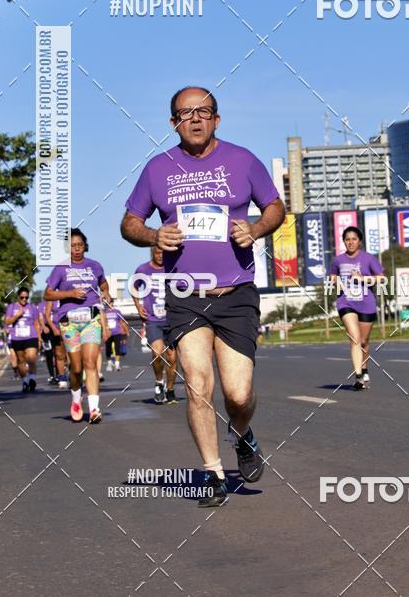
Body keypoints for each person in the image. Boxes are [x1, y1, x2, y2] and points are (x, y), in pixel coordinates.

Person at [121, 86, 285, 507]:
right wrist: (155, 234)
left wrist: (257, 229)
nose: (194, 119)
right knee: (197, 384)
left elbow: (275, 207)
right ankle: (213, 474)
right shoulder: (158, 169)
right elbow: (129, 223)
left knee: (237, 394)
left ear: (216, 118)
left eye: (203, 111)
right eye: (185, 113)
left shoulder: (242, 160)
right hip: (184, 293)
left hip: (235, 293)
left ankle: (243, 435)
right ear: (172, 122)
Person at [44, 228, 112, 423]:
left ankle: (94, 409)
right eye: (73, 246)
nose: (76, 249)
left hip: (91, 320)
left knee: (90, 363)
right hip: (69, 324)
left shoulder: (95, 266)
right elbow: (48, 294)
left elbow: (103, 284)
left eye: (80, 245)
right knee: (76, 368)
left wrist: (105, 293)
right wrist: (69, 294)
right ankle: (76, 399)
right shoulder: (60, 268)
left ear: (85, 246)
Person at [328, 226, 385, 390]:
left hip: (366, 303)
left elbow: (381, 279)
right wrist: (335, 282)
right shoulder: (338, 260)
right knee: (355, 338)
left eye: (353, 239)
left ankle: (364, 367)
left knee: (364, 342)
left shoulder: (369, 259)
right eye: (347, 239)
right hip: (346, 303)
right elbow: (332, 275)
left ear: (359, 241)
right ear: (344, 241)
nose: (350, 242)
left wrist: (363, 279)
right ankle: (359, 376)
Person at [131, 246, 179, 404]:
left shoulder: (173, 267)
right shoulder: (143, 269)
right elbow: (134, 286)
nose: (161, 256)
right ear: (152, 252)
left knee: (172, 358)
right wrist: (138, 306)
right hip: (153, 320)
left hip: (172, 319)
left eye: (164, 254)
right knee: (157, 353)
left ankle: (170, 389)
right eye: (158, 253)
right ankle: (159, 382)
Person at [4, 287, 42, 392]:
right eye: (22, 297)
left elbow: (36, 323)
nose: (24, 299)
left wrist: (39, 338)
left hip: (31, 336)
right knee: (21, 361)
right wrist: (17, 315)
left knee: (31, 358)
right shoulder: (11, 307)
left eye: (26, 297)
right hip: (17, 338)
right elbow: (7, 322)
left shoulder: (32, 307)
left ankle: (32, 379)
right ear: (18, 296)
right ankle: (25, 381)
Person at [104, 305, 129, 372]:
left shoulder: (117, 311)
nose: (109, 304)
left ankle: (117, 364)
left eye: (111, 302)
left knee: (117, 348)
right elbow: (102, 322)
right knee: (108, 349)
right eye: (108, 302)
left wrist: (126, 330)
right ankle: (109, 364)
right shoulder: (104, 312)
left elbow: (122, 321)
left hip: (117, 332)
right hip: (108, 333)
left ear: (112, 303)